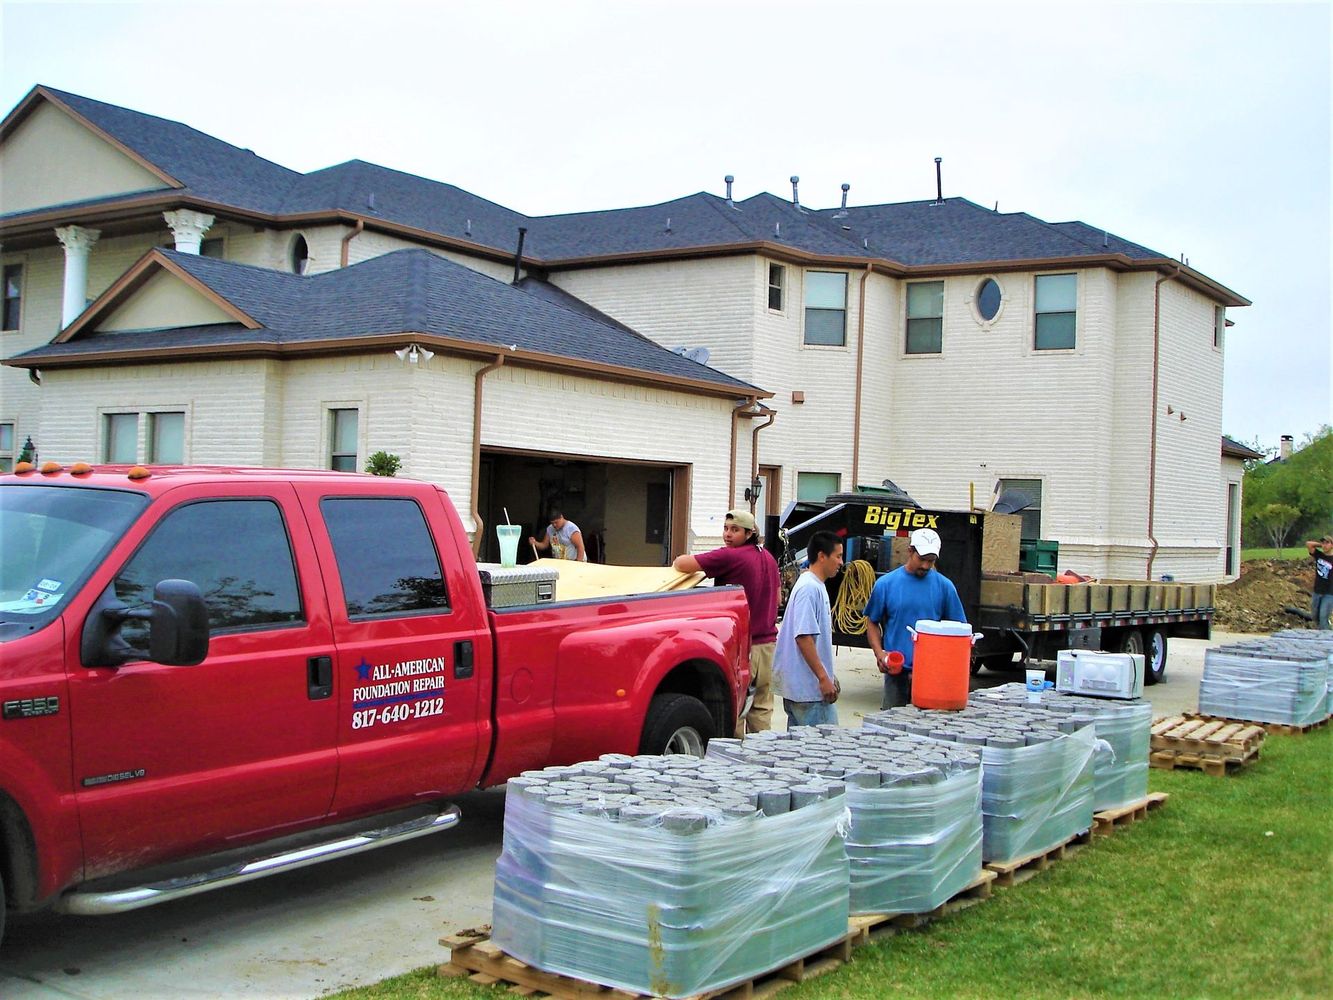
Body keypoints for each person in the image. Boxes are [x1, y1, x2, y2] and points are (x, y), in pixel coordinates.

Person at [673, 510, 780, 735]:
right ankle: (763, 758)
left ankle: (737, 764)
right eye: (726, 528)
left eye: (735, 530)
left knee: (736, 712)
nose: (728, 534)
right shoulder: (768, 558)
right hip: (768, 647)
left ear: (750, 533)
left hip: (744, 648)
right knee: (761, 710)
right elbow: (778, 598)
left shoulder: (729, 557)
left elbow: (681, 563)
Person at [863, 527, 966, 709]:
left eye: (931, 561)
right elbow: (872, 621)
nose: (926, 566)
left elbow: (959, 632)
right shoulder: (886, 585)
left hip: (932, 674)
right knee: (892, 728)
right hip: (897, 673)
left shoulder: (945, 587)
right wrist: (880, 653)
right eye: (922, 559)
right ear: (910, 551)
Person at [772, 530, 844, 728]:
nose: (840, 562)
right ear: (822, 556)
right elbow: (803, 637)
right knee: (824, 750)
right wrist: (823, 678)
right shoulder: (809, 588)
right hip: (809, 693)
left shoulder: (814, 585)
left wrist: (828, 674)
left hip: (805, 689)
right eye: (838, 556)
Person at [1306, 535, 1333, 629]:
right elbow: (1309, 544)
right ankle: (1322, 633)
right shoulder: (1319, 555)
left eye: (1327, 543)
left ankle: (1327, 638)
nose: (1324, 545)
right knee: (1315, 616)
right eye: (1323, 543)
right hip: (1317, 591)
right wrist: (1320, 544)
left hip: (1329, 593)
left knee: (1323, 616)